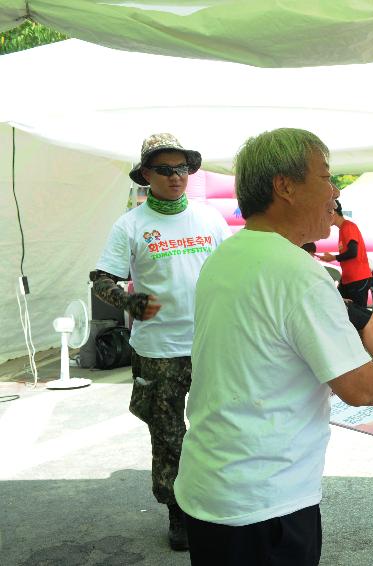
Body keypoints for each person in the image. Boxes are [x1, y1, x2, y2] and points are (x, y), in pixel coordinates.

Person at [174, 128, 373, 566]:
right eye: (326, 176)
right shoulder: (296, 272)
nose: (334, 190)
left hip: (210, 488)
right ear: (285, 186)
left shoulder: (226, 256)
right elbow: (360, 386)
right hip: (265, 504)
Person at [91, 133, 230, 551]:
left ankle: (215, 503)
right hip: (158, 350)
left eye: (183, 168)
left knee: (218, 428)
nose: (176, 177)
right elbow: (102, 280)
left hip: (210, 343)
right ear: (147, 174)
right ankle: (177, 513)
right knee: (168, 434)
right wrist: (129, 301)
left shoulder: (210, 219)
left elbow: (231, 273)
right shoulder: (130, 224)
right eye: (165, 170)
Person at [303, 242, 373, 364]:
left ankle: (365, 359)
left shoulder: (304, 266)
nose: (314, 256)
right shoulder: (308, 267)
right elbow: (317, 291)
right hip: (326, 307)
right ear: (308, 253)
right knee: (370, 318)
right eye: (312, 254)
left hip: (327, 303)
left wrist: (339, 298)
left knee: (366, 317)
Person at [321, 199, 373, 308]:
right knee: (339, 306)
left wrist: (333, 257)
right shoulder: (343, 229)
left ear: (333, 212)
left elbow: (352, 252)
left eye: (325, 214)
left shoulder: (348, 227)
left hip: (358, 278)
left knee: (358, 313)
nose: (324, 219)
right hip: (348, 279)